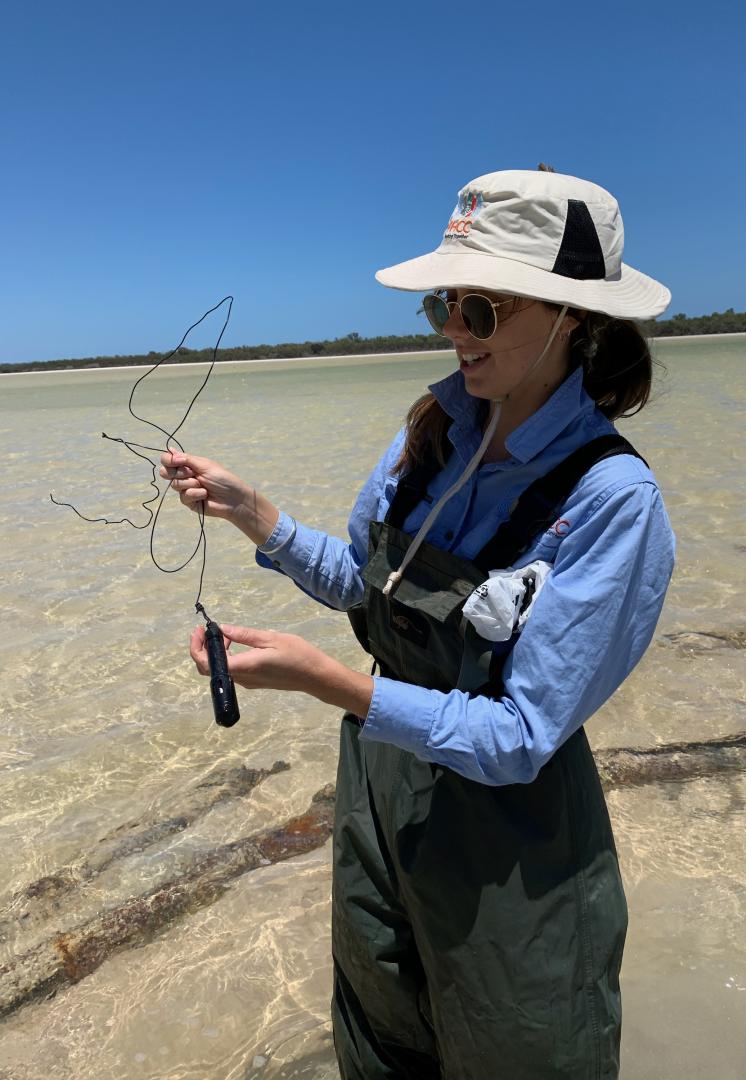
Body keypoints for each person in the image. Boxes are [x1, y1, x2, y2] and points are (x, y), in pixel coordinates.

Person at [160, 166, 675, 1079]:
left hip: (512, 854)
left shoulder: (613, 502)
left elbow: (520, 739)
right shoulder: (429, 432)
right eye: (444, 303)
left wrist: (337, 685)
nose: (450, 330)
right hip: (378, 804)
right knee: (383, 1041)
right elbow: (368, 589)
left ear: (572, 320)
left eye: (480, 309)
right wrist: (255, 515)